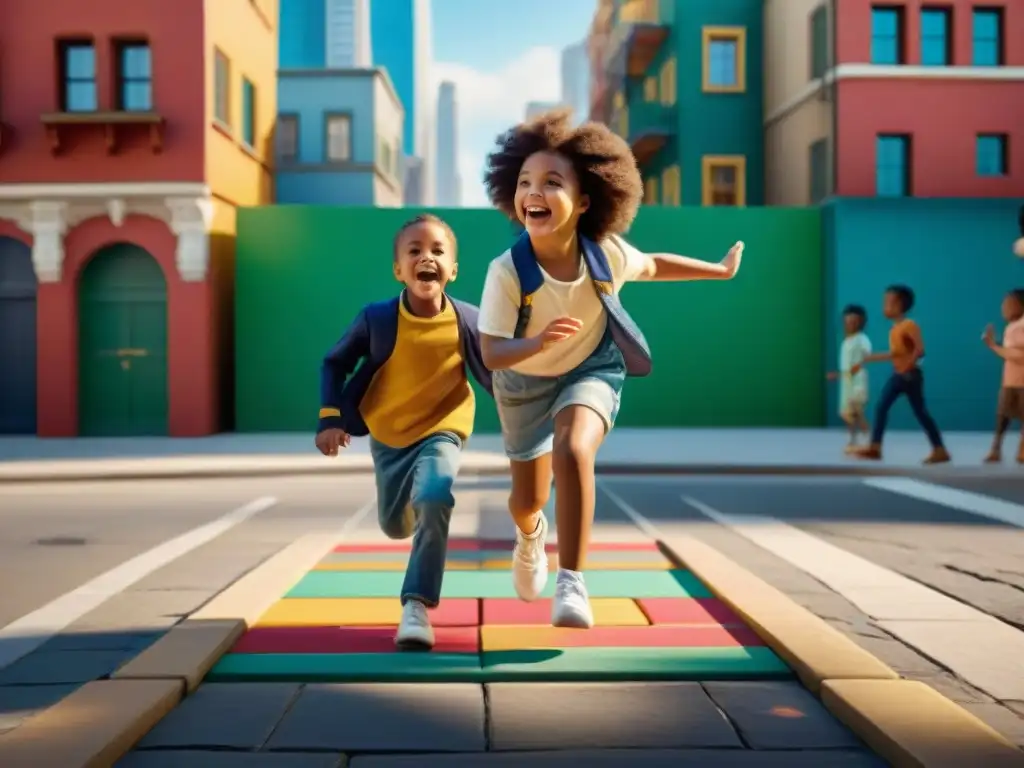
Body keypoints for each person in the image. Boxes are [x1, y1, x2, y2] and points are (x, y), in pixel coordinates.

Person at [475, 109, 743, 628]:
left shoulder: (605, 255)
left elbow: (654, 263)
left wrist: (719, 271)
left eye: (552, 182)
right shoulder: (507, 273)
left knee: (575, 449)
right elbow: (490, 353)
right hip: (523, 381)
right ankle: (531, 535)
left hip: (590, 368)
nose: (534, 191)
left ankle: (572, 582)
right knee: (526, 499)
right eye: (525, 181)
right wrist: (533, 342)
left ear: (586, 201)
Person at [314, 214, 493, 649]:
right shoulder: (377, 318)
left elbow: (496, 376)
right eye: (414, 251)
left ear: (453, 269)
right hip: (389, 434)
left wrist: (536, 412)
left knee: (434, 496)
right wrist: (330, 418)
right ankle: (414, 518)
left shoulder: (468, 320)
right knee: (396, 526)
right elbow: (334, 362)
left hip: (443, 430)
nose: (425, 257)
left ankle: (415, 605)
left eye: (437, 251)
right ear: (398, 269)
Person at [851, 284, 950, 464]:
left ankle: (939, 449)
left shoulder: (909, 325)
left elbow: (920, 350)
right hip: (899, 375)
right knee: (883, 407)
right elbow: (896, 353)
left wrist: (908, 367)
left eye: (889, 303)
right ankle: (876, 447)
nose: (885, 307)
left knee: (918, 412)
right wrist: (869, 358)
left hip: (909, 377)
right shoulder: (895, 329)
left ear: (899, 305)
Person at [982, 289, 1024, 463]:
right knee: (1002, 415)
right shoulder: (1011, 327)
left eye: (1008, 304)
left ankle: (1021, 450)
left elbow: (1019, 356)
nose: (1004, 308)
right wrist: (996, 345)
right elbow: (1011, 352)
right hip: (1010, 381)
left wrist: (993, 346)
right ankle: (996, 448)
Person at [827, 304, 872, 452]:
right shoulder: (846, 341)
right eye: (847, 322)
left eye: (854, 322)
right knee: (848, 414)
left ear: (861, 322)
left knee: (857, 411)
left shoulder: (862, 339)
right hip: (847, 382)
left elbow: (865, 357)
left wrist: (856, 368)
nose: (850, 325)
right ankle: (853, 440)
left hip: (857, 381)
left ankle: (869, 438)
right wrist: (838, 375)